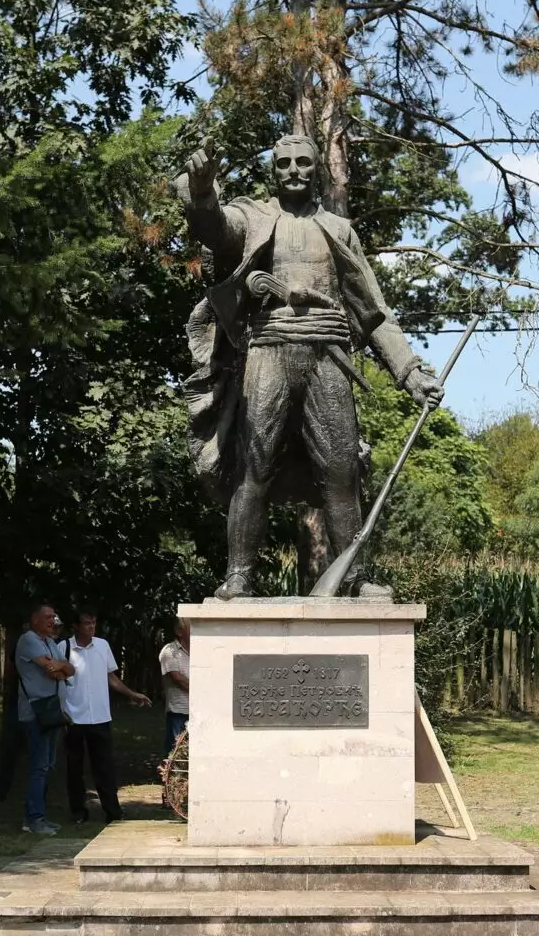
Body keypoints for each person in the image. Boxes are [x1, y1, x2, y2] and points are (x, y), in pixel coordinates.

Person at [176, 134, 444, 599]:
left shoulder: (338, 230)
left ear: (317, 168)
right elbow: (214, 228)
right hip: (269, 354)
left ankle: (353, 579)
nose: (294, 170)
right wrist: (202, 191)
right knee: (252, 468)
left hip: (328, 359)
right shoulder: (254, 218)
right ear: (273, 170)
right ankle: (239, 577)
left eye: (303, 161)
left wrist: (410, 373)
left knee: (341, 473)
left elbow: (375, 313)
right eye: (284, 163)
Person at [60, 610, 151, 824]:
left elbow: (111, 677)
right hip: (73, 717)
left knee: (104, 766)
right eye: (86, 623)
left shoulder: (102, 646)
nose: (91, 627)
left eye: (94, 622)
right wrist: (60, 712)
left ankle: (113, 811)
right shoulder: (63, 648)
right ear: (76, 626)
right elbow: (57, 680)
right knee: (74, 767)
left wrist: (132, 694)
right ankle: (78, 812)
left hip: (100, 716)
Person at [15, 605, 77, 835]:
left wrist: (61, 665)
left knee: (47, 765)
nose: (53, 621)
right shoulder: (28, 640)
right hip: (36, 713)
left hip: (52, 713)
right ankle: (34, 819)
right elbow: (52, 673)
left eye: (54, 617)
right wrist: (60, 668)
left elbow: (71, 670)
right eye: (48, 617)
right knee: (39, 766)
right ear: (35, 619)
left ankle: (36, 816)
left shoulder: (50, 643)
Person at [159, 619, 191, 757]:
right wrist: (204, 691)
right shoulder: (169, 651)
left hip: (198, 711)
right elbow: (178, 679)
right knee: (176, 753)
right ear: (179, 632)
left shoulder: (201, 650)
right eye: (192, 626)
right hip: (178, 713)